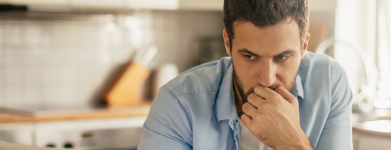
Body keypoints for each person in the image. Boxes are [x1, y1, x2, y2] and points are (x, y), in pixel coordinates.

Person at [138, 0, 353, 149]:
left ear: (304, 46)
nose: (267, 79)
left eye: (282, 57)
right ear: (228, 43)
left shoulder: (330, 83)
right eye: (250, 57)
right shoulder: (178, 103)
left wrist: (292, 143)